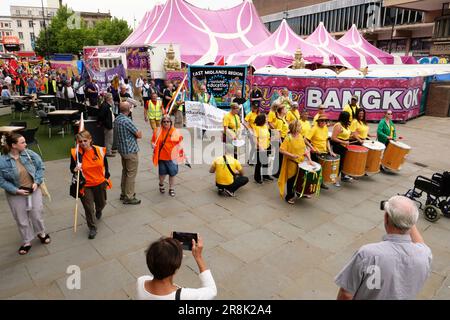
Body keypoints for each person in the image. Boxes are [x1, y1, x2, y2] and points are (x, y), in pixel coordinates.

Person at [335, 195, 432, 300]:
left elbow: (346, 294)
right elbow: (420, 243)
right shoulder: (424, 254)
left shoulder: (367, 255)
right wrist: (407, 217)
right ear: (413, 221)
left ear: (386, 218)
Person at [0, 133, 50, 255]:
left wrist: (37, 182)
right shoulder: (2, 161)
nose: (26, 144)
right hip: (15, 193)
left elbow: (40, 167)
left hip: (33, 189)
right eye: (22, 142)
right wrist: (15, 190)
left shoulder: (29, 154)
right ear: (13, 145)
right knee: (21, 219)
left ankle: (41, 233)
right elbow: (1, 180)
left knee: (37, 214)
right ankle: (27, 241)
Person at [136, 235, 217, 300]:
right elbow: (212, 291)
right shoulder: (185, 296)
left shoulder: (141, 282)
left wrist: (166, 247)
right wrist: (198, 257)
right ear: (176, 267)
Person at [70, 130, 111, 239]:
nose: (83, 143)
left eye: (85, 141)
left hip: (100, 183)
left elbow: (105, 165)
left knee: (102, 203)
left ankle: (99, 209)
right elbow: (72, 169)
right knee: (88, 208)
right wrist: (75, 169)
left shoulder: (99, 150)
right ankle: (92, 227)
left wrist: (106, 177)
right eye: (80, 141)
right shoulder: (76, 153)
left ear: (90, 140)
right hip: (85, 185)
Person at [278, 121, 313, 204]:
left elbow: (305, 149)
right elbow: (281, 150)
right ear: (295, 128)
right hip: (292, 162)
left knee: (301, 179)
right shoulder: (288, 138)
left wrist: (309, 159)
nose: (301, 127)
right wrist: (292, 155)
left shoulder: (300, 136)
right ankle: (289, 197)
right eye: (300, 126)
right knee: (291, 180)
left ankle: (301, 193)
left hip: (301, 162)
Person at [114, 102, 142, 205]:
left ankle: (123, 193)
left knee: (125, 172)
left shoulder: (117, 119)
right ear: (129, 109)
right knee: (131, 174)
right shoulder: (127, 121)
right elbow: (139, 135)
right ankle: (129, 196)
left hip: (122, 150)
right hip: (130, 150)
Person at [152, 115, 183, 197]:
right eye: (164, 121)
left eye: (167, 121)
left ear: (170, 122)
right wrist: (152, 144)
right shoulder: (157, 131)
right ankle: (161, 184)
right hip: (162, 157)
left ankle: (171, 188)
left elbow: (179, 141)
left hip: (172, 157)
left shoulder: (174, 131)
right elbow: (153, 141)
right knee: (162, 173)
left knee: (172, 174)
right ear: (161, 122)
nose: (166, 123)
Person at [305, 114, 336, 190]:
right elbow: (305, 139)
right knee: (315, 169)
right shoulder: (314, 129)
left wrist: (330, 151)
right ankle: (311, 185)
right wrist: (312, 148)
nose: (323, 122)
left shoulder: (325, 128)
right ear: (318, 121)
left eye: (325, 121)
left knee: (322, 169)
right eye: (321, 120)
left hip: (323, 152)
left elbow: (326, 140)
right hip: (316, 153)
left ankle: (320, 183)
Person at [330, 111, 354, 186]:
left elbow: (345, 135)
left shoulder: (345, 125)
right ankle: (334, 180)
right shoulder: (338, 125)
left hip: (344, 146)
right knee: (338, 164)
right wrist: (344, 142)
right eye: (348, 117)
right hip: (338, 147)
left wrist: (351, 137)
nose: (349, 118)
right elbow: (333, 138)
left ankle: (341, 177)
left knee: (342, 164)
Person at [253, 114, 271, 184]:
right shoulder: (256, 128)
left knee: (266, 162)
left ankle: (265, 176)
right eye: (266, 118)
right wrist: (260, 147)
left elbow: (267, 136)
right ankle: (257, 178)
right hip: (260, 148)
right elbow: (255, 140)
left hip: (267, 146)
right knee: (259, 163)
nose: (267, 119)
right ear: (262, 120)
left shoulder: (265, 126)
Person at [272, 104, 289, 178]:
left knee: (280, 157)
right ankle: (276, 173)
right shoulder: (279, 121)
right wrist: (281, 143)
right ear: (281, 111)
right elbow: (278, 133)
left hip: (283, 139)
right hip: (280, 139)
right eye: (285, 109)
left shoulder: (283, 119)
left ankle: (278, 172)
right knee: (279, 157)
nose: (286, 110)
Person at [98, 93, 115, 157]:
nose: (112, 100)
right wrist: (104, 122)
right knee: (108, 139)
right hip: (108, 125)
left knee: (110, 138)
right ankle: (108, 152)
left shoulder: (107, 105)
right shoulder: (105, 106)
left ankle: (109, 149)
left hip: (110, 124)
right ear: (108, 99)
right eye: (111, 98)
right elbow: (101, 116)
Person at [244, 101, 260, 165]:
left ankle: (255, 159)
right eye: (254, 108)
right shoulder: (250, 114)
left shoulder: (258, 114)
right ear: (252, 107)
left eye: (256, 108)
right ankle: (250, 160)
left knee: (257, 146)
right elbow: (244, 122)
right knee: (254, 146)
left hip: (258, 132)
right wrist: (249, 129)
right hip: (252, 132)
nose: (255, 109)